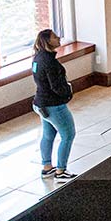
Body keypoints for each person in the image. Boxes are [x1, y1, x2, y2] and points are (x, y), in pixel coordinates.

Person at [31, 29, 76, 182]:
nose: (58, 38)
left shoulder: (38, 58)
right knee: (68, 135)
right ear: (48, 41)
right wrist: (68, 93)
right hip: (53, 105)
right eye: (55, 37)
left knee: (48, 135)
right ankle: (61, 170)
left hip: (40, 103)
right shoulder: (49, 62)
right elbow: (55, 86)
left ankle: (47, 166)